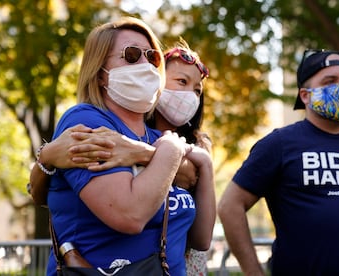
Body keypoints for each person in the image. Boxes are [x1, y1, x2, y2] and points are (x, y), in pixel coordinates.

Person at [29, 33, 215, 275]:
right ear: (98, 72)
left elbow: (201, 239)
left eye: (152, 58)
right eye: (131, 55)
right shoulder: (89, 122)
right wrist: (46, 155)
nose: (146, 66)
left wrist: (160, 153)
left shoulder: (164, 140)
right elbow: (130, 215)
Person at [218, 49, 339, 276]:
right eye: (330, 81)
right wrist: (253, 272)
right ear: (306, 95)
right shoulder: (279, 144)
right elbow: (229, 206)